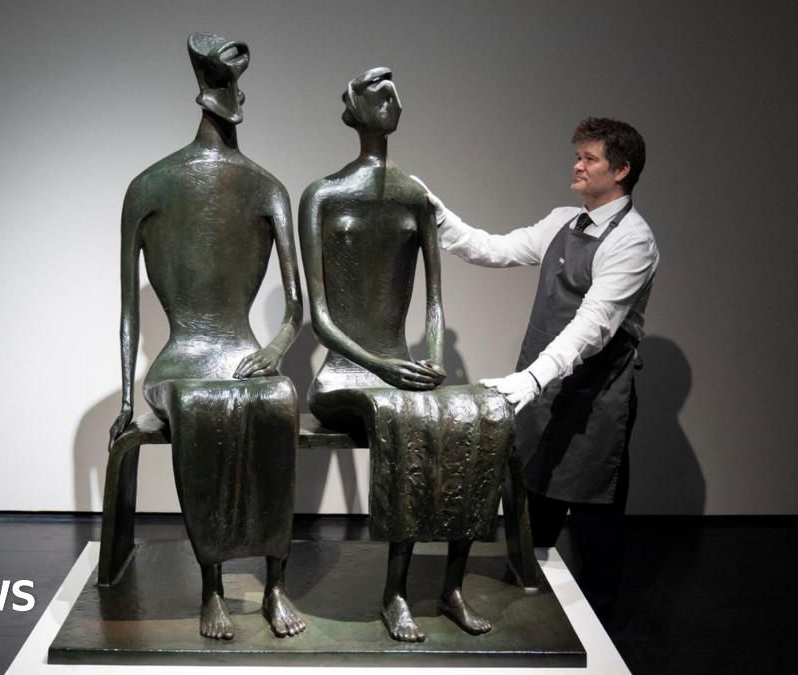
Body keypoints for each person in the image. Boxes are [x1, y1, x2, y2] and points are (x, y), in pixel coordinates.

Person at [300, 67, 513, 642]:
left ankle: (452, 586)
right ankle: (395, 592)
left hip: (402, 370)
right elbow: (319, 319)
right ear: (353, 108)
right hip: (346, 376)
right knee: (404, 418)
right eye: (379, 93)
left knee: (481, 416)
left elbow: (437, 300)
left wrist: (434, 357)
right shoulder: (320, 195)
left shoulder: (415, 196)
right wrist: (379, 366)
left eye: (396, 93)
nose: (394, 101)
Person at [418, 117, 659, 625]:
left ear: (621, 170)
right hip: (546, 390)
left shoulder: (633, 241)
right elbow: (495, 248)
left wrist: (530, 376)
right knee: (532, 497)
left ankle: (600, 623)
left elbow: (592, 326)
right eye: (579, 155)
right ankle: (525, 601)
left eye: (589, 158)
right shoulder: (563, 222)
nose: (577, 164)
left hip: (597, 395)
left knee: (594, 511)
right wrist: (438, 217)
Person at [108, 32, 306, 641]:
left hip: (243, 353)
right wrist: (123, 399)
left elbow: (296, 306)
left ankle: (275, 582)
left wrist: (273, 352)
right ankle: (212, 584)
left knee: (276, 402)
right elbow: (126, 312)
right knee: (199, 405)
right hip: (179, 361)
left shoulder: (267, 187)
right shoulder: (148, 186)